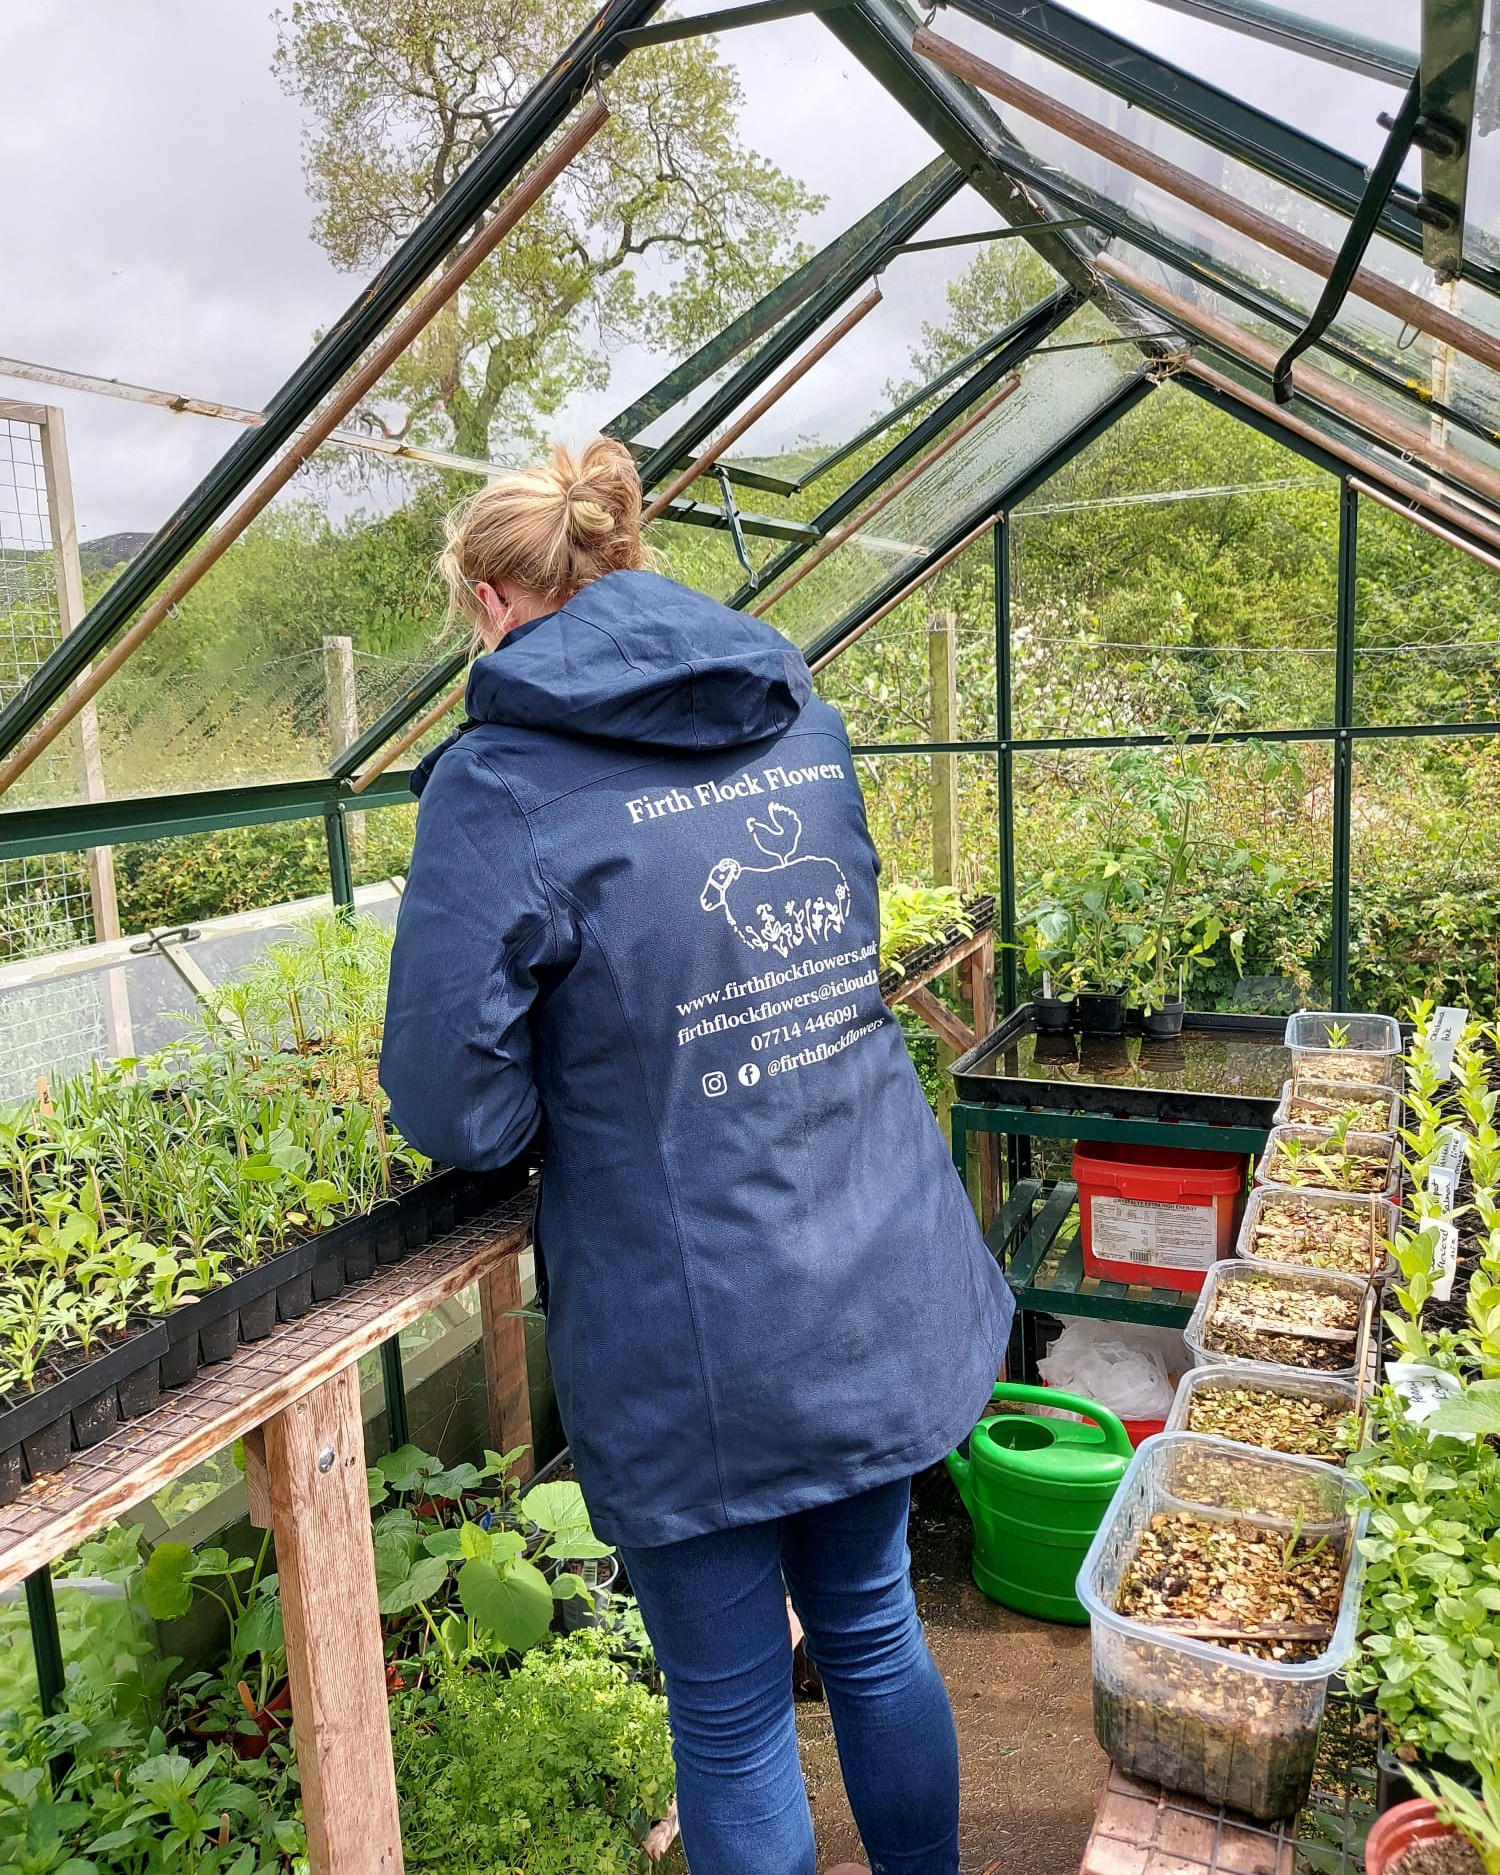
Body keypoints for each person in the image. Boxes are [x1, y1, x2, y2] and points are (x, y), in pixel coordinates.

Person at [380, 438, 1014, 1875]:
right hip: (864, 1259)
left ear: (491, 602)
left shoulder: (497, 784)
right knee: (871, 1625)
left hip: (694, 1319)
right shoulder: (794, 709)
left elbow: (457, 1104)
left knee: (729, 1717)